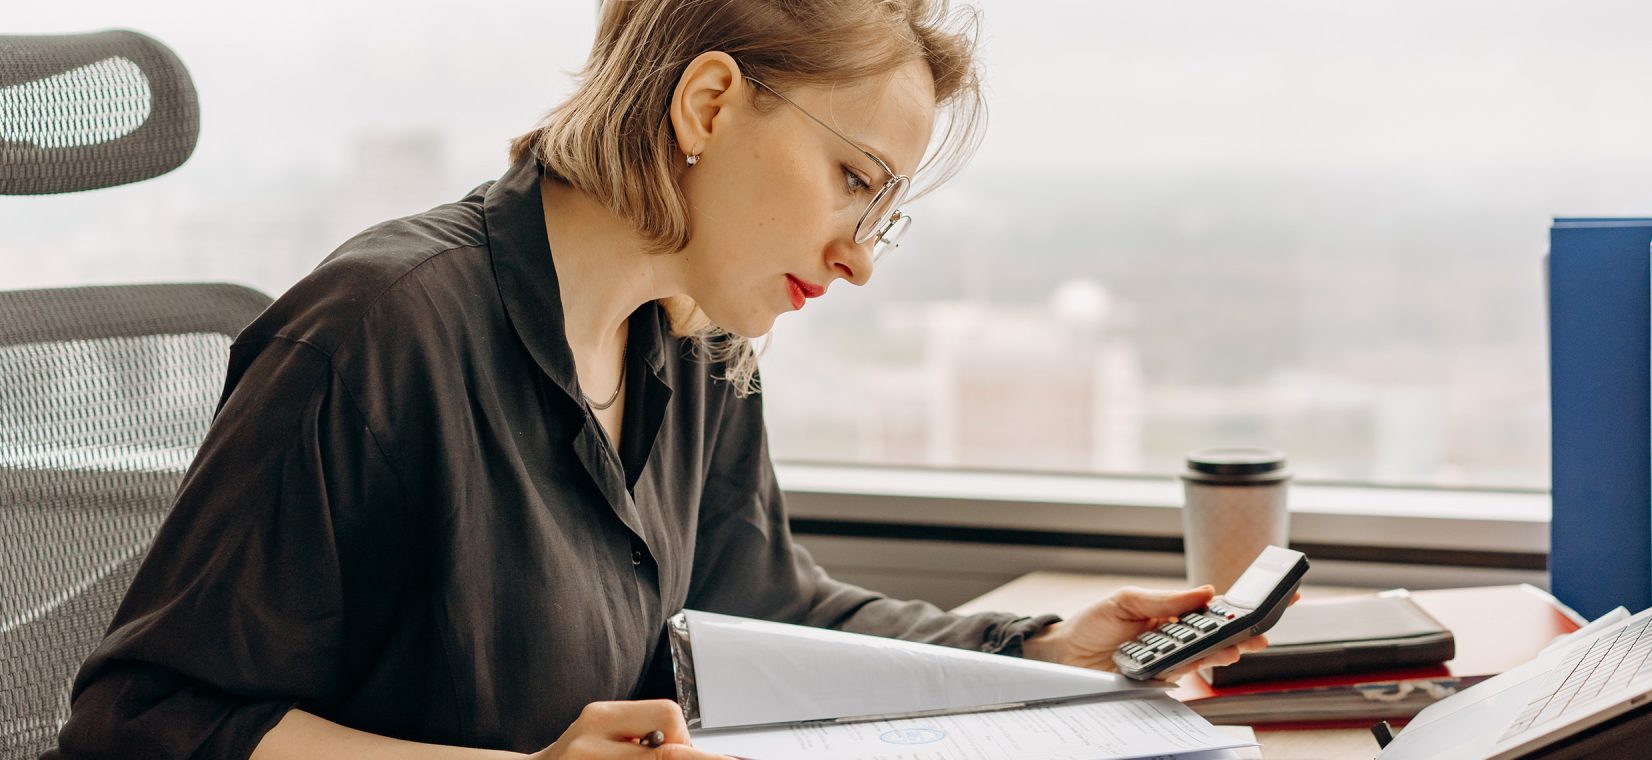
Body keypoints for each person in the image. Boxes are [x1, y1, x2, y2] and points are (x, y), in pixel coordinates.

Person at [47, 1, 1267, 758]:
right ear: (708, 102)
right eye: (852, 180)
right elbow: (145, 725)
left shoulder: (694, 346)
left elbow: (761, 603)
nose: (856, 256)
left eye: (881, 213)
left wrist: (1036, 648)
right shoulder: (380, 332)